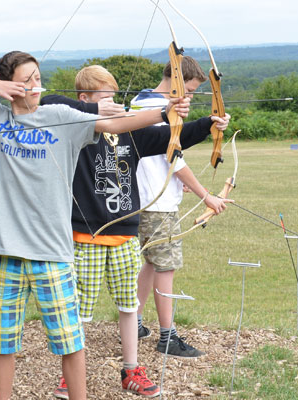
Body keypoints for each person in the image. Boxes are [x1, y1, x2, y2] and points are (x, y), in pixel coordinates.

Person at [0, 51, 191, 400]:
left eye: (38, 77)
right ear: (9, 84)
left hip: (53, 253)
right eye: (26, 80)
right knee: (2, 341)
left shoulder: (60, 116)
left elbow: (115, 124)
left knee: (70, 342)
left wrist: (165, 113)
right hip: (7, 252)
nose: (35, 85)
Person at [40, 65, 230, 398]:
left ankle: (131, 370)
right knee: (80, 312)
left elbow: (169, 137)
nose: (114, 105)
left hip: (125, 234)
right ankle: (72, 375)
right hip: (87, 236)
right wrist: (97, 111)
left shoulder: (129, 132)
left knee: (129, 307)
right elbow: (47, 100)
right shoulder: (73, 129)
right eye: (104, 99)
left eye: (115, 99)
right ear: (83, 99)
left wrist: (207, 124)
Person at [133, 56, 231, 357]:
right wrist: (207, 196)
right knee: (166, 267)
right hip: (156, 203)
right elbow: (173, 154)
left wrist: (179, 182)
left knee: (151, 262)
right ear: (175, 80)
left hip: (150, 197)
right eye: (187, 90)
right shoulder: (151, 108)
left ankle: (133, 321)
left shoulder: (141, 102)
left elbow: (164, 154)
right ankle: (168, 337)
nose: (188, 97)